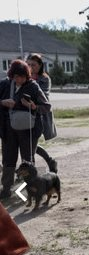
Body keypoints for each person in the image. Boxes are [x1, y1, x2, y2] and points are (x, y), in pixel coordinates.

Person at [0, 60, 51, 200]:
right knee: (8, 160)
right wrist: (2, 102)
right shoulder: (4, 84)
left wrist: (34, 106)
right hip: (8, 129)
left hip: (29, 130)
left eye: (22, 76)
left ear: (27, 75)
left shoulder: (33, 86)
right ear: (12, 75)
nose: (19, 79)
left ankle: (30, 190)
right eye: (16, 76)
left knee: (27, 161)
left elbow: (46, 106)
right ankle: (6, 189)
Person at [26, 53, 57, 172]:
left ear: (40, 65)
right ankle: (49, 161)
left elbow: (44, 95)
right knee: (28, 144)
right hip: (25, 115)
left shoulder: (44, 78)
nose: (31, 67)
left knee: (30, 144)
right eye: (28, 64)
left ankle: (30, 172)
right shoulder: (23, 77)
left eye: (33, 65)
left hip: (39, 114)